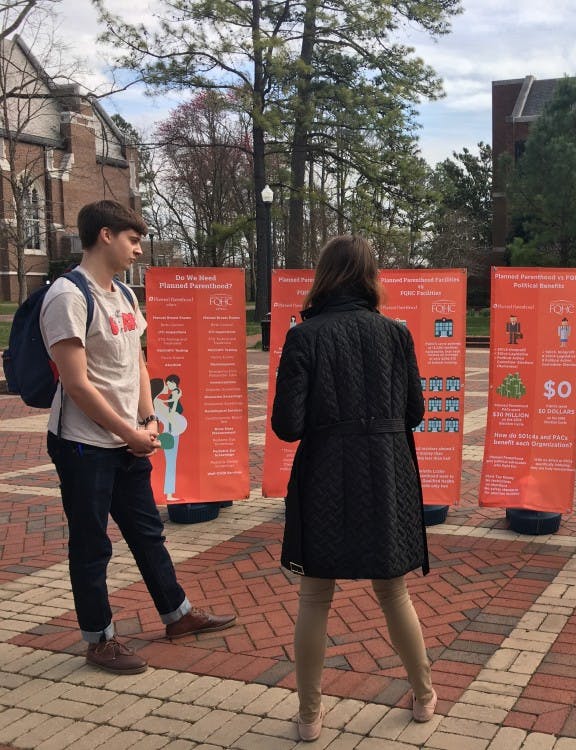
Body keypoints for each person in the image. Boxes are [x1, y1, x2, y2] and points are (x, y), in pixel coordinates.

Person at [41, 200, 236, 675]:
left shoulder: (125, 296)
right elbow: (76, 382)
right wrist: (128, 431)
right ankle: (100, 639)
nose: (139, 248)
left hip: (127, 441)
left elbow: (138, 364)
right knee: (92, 545)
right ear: (105, 235)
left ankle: (177, 614)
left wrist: (149, 422)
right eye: (133, 239)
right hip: (84, 445)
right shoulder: (68, 296)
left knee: (149, 534)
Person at [272, 235, 436, 742]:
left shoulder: (305, 337)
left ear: (324, 277)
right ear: (370, 277)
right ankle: (425, 697)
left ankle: (309, 716)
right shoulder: (396, 334)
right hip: (387, 471)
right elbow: (416, 413)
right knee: (394, 589)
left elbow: (287, 425)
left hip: (325, 473)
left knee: (315, 593)